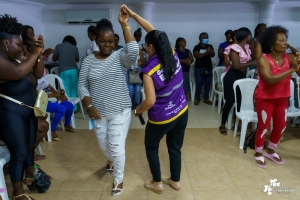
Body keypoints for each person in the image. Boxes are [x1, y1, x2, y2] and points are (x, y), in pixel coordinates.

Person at [122, 5, 188, 194]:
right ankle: (175, 181)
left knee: (151, 147)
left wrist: (137, 111)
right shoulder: (172, 53)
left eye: (145, 45)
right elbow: (154, 32)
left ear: (150, 47)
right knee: (175, 148)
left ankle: (157, 183)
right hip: (182, 111)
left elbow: (150, 101)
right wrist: (134, 15)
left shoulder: (149, 70)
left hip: (162, 117)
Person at [77, 8, 139, 196]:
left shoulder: (120, 57)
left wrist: (124, 24)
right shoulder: (87, 61)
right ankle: (110, 161)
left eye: (110, 41)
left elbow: (134, 51)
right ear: (96, 41)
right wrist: (88, 106)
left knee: (116, 146)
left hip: (120, 110)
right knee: (104, 147)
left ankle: (118, 179)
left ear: (115, 41)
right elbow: (81, 87)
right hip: (98, 113)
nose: (106, 45)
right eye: (102, 41)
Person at [0, 14, 44, 199]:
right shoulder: (2, 62)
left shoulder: (15, 59)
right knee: (18, 152)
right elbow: (18, 73)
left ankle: (29, 177)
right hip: (11, 114)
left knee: (27, 149)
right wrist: (32, 54)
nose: (20, 48)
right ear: (5, 43)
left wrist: (37, 54)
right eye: (17, 44)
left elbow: (37, 75)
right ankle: (18, 193)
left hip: (27, 112)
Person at [254, 26, 300, 168]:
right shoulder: (263, 60)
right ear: (271, 44)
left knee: (281, 126)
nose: (285, 43)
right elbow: (269, 79)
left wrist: (297, 64)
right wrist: (292, 69)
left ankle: (271, 150)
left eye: (286, 40)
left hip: (282, 98)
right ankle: (258, 152)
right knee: (263, 127)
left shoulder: (290, 58)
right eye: (281, 40)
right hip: (265, 98)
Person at [219, 27, 257, 135]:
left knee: (240, 101)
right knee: (229, 102)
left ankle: (238, 124)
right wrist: (252, 63)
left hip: (242, 76)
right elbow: (235, 66)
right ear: (247, 36)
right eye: (250, 35)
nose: (251, 37)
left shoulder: (246, 47)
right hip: (232, 76)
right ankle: (222, 125)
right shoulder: (234, 48)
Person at [37, 75, 76, 141]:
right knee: (61, 109)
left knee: (70, 106)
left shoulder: (40, 78)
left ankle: (67, 125)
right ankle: (53, 130)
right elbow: (37, 95)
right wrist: (54, 95)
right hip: (43, 103)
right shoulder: (31, 81)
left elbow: (50, 88)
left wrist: (58, 95)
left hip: (51, 99)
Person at [52, 35, 79, 111]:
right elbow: (77, 60)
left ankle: (68, 108)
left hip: (64, 70)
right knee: (73, 89)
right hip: (74, 70)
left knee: (65, 89)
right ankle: (74, 108)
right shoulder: (75, 48)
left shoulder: (58, 46)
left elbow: (54, 59)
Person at [193, 32, 215, 105]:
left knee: (207, 83)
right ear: (200, 39)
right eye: (205, 37)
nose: (206, 39)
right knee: (199, 83)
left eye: (207, 37)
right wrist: (206, 52)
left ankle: (206, 98)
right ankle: (198, 98)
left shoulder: (210, 46)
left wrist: (210, 51)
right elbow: (197, 56)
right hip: (199, 68)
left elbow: (213, 55)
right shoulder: (197, 47)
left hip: (208, 67)